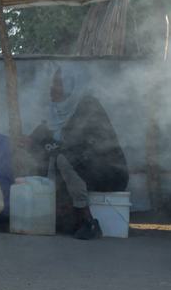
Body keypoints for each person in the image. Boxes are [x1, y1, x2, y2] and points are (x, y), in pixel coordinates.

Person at [33, 63, 129, 240]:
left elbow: (76, 144)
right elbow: (49, 139)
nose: (52, 88)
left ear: (72, 85)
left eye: (58, 83)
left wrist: (51, 144)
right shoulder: (57, 112)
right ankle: (62, 215)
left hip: (110, 172)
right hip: (87, 169)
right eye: (53, 83)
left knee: (63, 158)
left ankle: (87, 220)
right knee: (52, 155)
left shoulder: (87, 106)